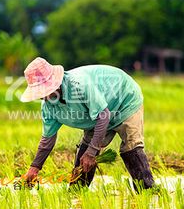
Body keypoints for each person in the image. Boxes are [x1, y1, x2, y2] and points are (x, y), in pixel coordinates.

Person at [18, 56, 154, 188]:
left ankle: (148, 192)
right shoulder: (48, 106)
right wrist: (34, 167)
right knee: (85, 153)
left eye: (43, 90)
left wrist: (91, 153)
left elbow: (103, 115)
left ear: (55, 83)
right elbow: (47, 139)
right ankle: (77, 195)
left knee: (131, 147)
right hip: (99, 115)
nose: (42, 96)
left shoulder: (80, 85)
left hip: (124, 100)